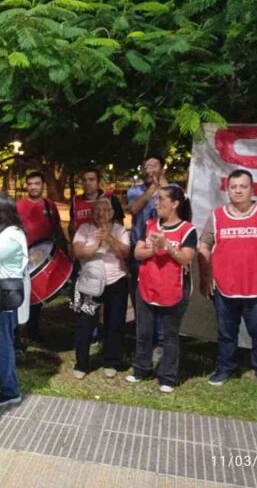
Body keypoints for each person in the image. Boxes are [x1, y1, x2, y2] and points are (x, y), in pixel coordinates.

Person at [198, 169, 257, 397]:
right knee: (226, 334)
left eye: (243, 186)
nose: (238, 191)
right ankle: (225, 369)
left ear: (252, 189)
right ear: (227, 190)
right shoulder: (217, 216)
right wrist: (206, 277)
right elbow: (204, 246)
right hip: (224, 288)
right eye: (233, 187)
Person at [126, 185, 197, 393]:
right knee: (143, 332)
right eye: (156, 199)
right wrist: (154, 249)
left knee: (169, 336)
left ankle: (168, 377)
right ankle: (141, 369)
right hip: (146, 285)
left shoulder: (187, 229)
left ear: (174, 204)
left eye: (161, 199)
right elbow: (137, 253)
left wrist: (168, 246)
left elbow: (185, 258)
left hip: (173, 289)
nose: (156, 203)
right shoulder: (149, 224)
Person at [72, 199, 130, 379]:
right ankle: (82, 363)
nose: (100, 213)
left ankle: (111, 361)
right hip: (89, 283)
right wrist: (97, 242)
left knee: (114, 322)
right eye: (97, 210)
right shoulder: (84, 229)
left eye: (105, 210)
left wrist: (110, 239)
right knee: (85, 323)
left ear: (112, 213)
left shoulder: (120, 230)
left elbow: (125, 253)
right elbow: (79, 253)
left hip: (116, 281)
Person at [0, 193, 29, 406]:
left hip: (5, 295)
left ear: (2, 211)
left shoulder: (12, 235)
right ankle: (3, 379)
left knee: (1, 343)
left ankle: (10, 391)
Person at [16, 171, 67, 343]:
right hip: (22, 257)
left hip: (42, 258)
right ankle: (16, 334)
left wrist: (64, 251)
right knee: (19, 295)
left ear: (42, 185)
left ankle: (33, 332)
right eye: (30, 184)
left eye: (37, 183)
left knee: (36, 297)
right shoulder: (19, 206)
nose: (33, 187)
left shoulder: (49, 205)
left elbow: (57, 229)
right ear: (26, 186)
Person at [126, 156, 169, 354]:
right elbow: (134, 208)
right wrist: (152, 188)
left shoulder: (171, 188)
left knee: (160, 295)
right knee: (140, 296)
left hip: (163, 249)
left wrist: (161, 183)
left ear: (162, 168)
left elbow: (177, 206)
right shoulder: (135, 191)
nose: (150, 169)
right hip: (139, 249)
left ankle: (160, 340)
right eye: (147, 166)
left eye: (154, 165)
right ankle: (144, 337)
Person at [69, 167, 124, 240]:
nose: (87, 183)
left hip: (106, 243)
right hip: (83, 243)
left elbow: (119, 226)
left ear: (98, 182)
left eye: (91, 180)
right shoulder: (75, 201)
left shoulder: (111, 199)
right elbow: (72, 225)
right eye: (84, 180)